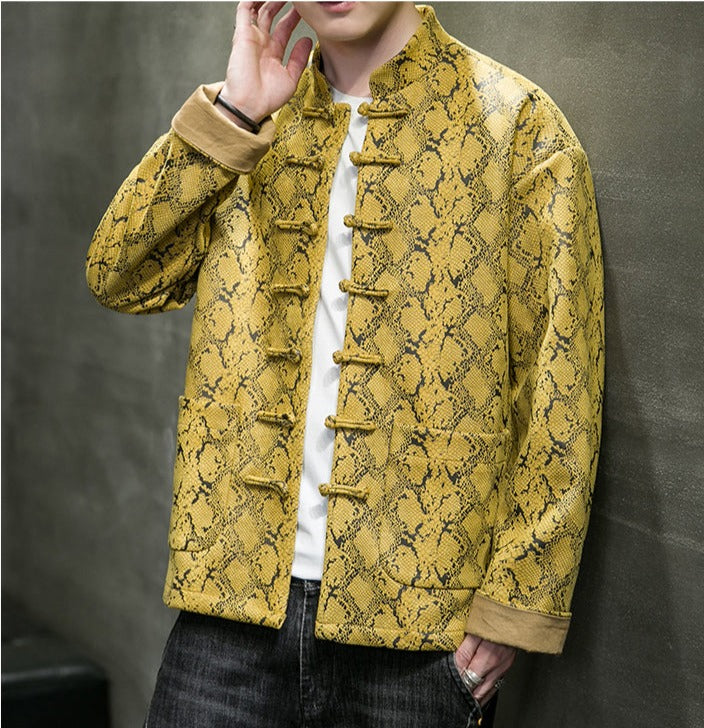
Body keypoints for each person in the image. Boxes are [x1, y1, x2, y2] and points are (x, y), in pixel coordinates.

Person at [87, 2, 604, 726]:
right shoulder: (252, 123)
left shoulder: (517, 126)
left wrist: (514, 606)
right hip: (229, 612)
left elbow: (562, 386)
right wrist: (233, 115)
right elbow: (120, 275)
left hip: (416, 633)